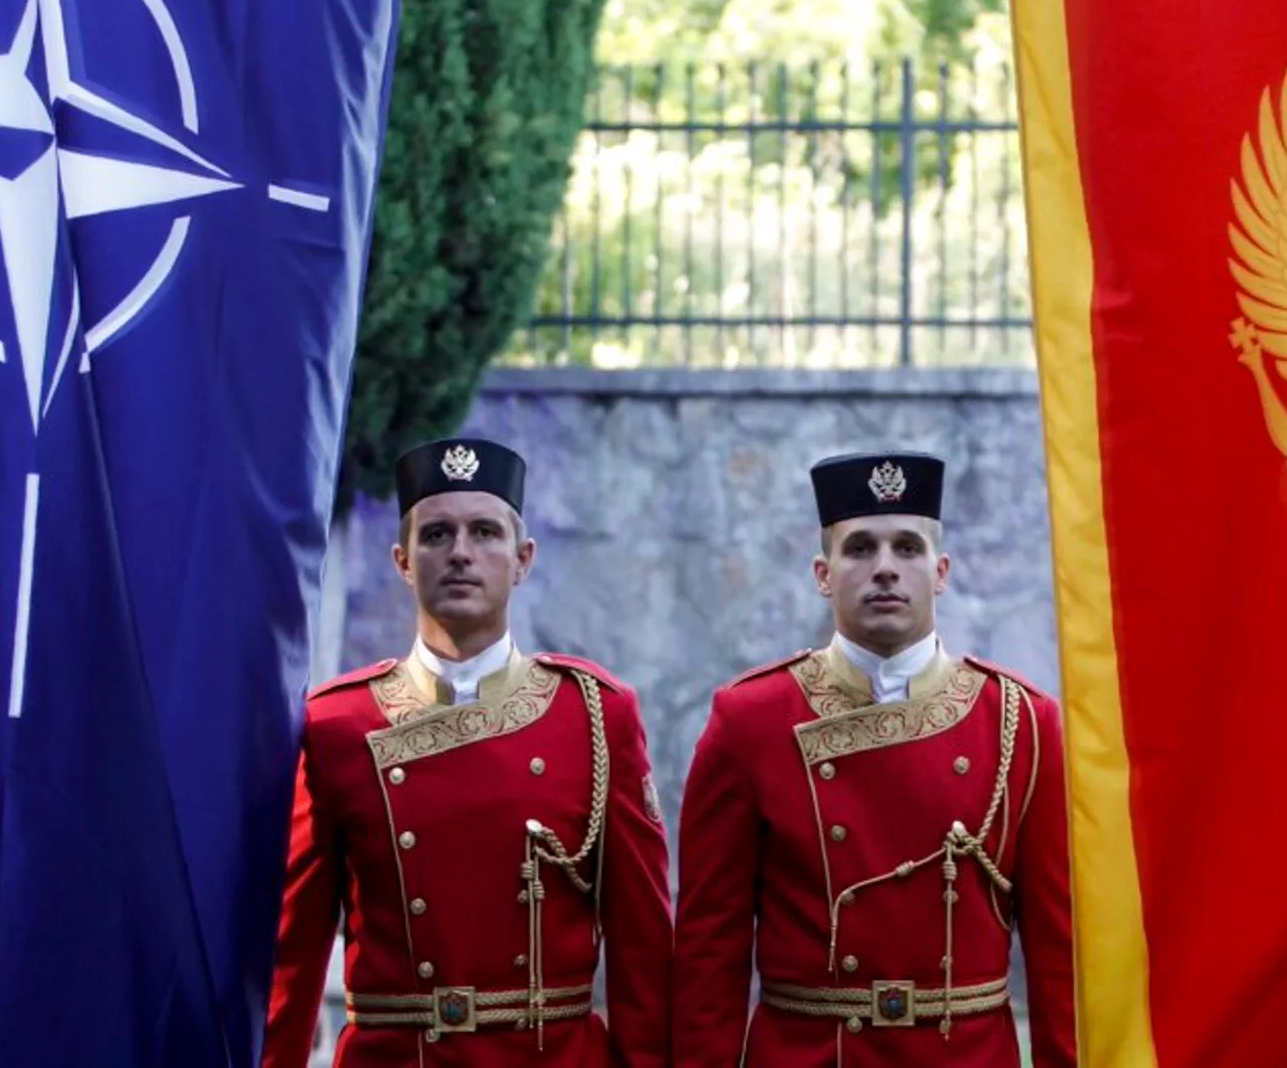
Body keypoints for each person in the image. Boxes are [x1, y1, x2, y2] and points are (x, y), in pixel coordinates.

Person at [263, 437, 672, 1067]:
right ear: (402, 560)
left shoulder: (595, 714)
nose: (460, 553)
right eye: (436, 535)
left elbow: (643, 945)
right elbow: (293, 949)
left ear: (522, 559)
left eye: (484, 532)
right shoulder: (336, 725)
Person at [672, 450, 1077, 1067]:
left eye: (907, 549)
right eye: (860, 548)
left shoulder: (1021, 721)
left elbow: (1059, 951)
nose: (885, 568)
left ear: (940, 571)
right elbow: (710, 949)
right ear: (823, 573)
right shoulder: (750, 721)